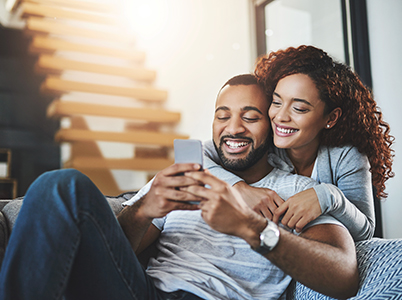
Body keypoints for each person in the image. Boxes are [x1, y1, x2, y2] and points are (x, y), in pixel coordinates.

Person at [0, 74, 358, 300]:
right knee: (60, 184)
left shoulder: (294, 189)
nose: (233, 128)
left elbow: (343, 276)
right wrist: (145, 209)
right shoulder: (186, 173)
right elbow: (113, 252)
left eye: (250, 117)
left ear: (274, 125)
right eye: (222, 116)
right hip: (141, 292)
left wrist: (250, 227)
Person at [205, 45, 394, 241]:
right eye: (276, 102)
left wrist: (329, 197)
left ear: (331, 118)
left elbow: (365, 232)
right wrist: (239, 189)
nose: (280, 116)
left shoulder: (345, 156)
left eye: (299, 108)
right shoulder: (268, 137)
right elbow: (203, 155)